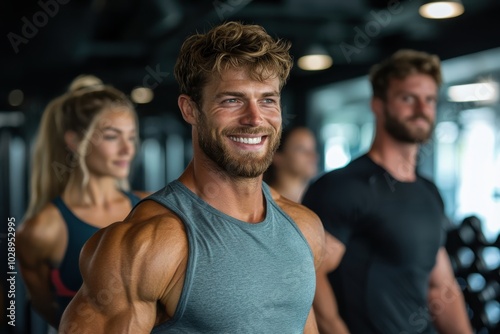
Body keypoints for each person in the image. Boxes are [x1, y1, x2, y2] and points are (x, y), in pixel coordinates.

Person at [59, 21, 325, 333]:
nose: (255, 118)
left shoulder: (304, 228)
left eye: (267, 99)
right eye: (232, 100)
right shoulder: (148, 244)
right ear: (190, 110)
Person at [302, 50, 473, 334]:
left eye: (429, 99)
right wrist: (335, 327)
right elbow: (309, 273)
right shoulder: (343, 187)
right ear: (378, 105)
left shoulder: (428, 192)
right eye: (408, 98)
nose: (421, 108)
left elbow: (441, 286)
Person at [17, 76, 149, 329]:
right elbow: (49, 310)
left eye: (131, 138)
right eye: (112, 137)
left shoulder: (150, 207)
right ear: (75, 142)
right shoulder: (41, 230)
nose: (127, 150)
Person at [263, 126, 318, 202]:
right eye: (301, 148)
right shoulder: (264, 202)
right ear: (277, 157)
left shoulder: (320, 200)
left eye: (313, 148)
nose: (312, 155)